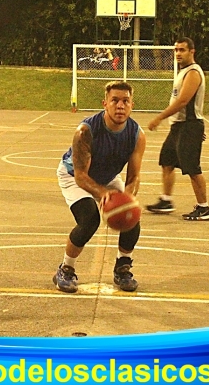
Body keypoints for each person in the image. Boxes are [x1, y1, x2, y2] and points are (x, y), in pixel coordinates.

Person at [53, 81, 147, 293]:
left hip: (108, 176)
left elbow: (134, 177)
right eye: (115, 100)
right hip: (74, 176)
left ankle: (123, 267)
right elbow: (81, 176)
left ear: (132, 105)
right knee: (89, 220)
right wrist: (105, 195)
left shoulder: (137, 135)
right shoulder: (85, 131)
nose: (120, 106)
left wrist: (127, 200)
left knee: (132, 217)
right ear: (105, 104)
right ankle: (65, 269)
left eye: (125, 101)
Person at [146, 37, 209, 221]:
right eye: (176, 50)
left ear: (192, 51)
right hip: (179, 127)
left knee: (192, 168)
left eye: (182, 50)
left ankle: (204, 207)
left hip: (188, 126)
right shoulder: (183, 72)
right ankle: (166, 200)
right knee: (166, 161)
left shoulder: (193, 72)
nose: (178, 53)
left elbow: (183, 101)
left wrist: (159, 117)